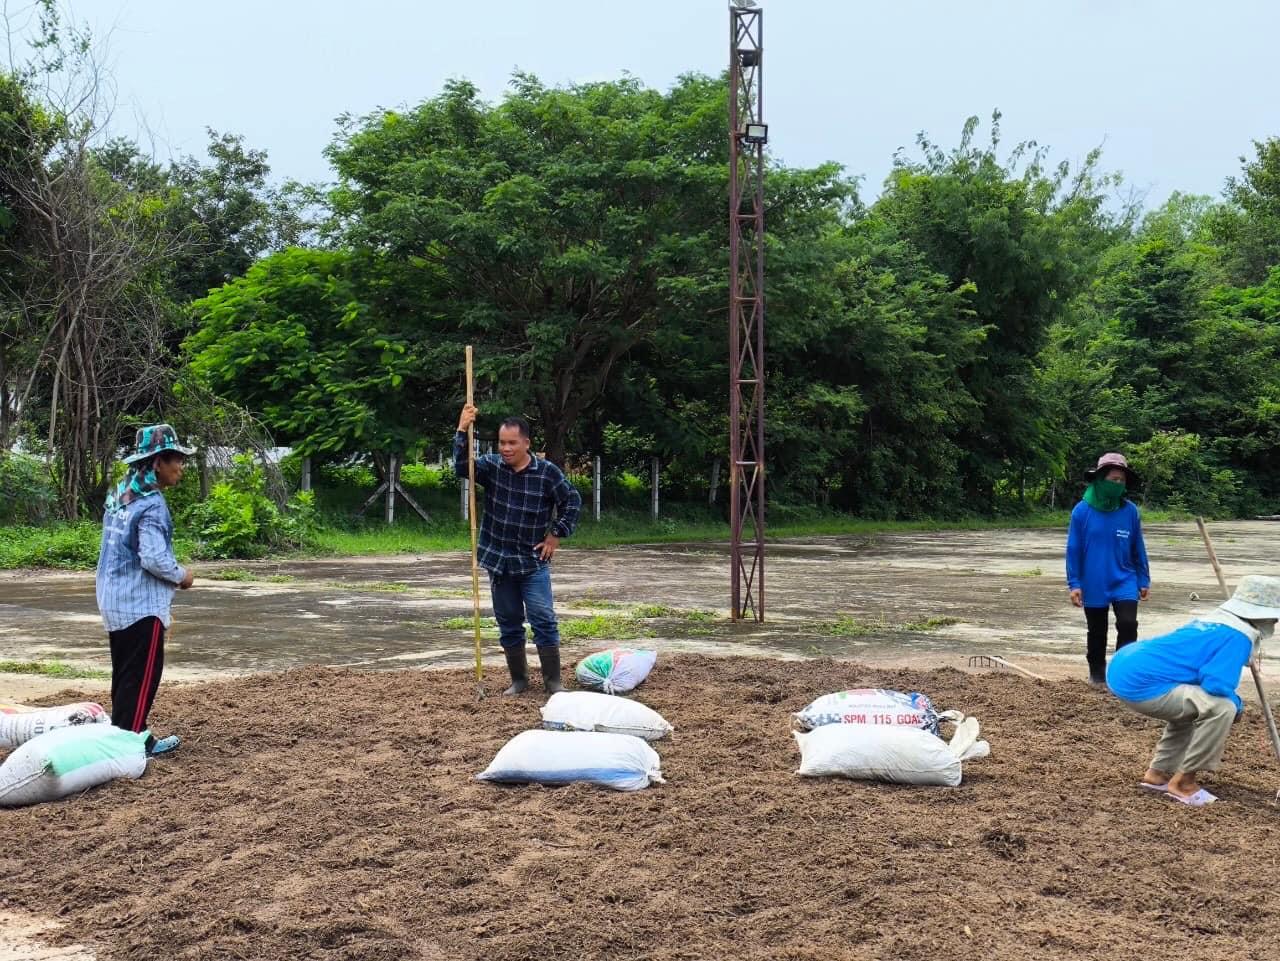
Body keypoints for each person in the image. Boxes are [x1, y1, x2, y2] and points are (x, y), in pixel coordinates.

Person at [1107, 574, 1279, 807]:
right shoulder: (1238, 636)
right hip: (1142, 682)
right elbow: (1217, 685)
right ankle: (1183, 783)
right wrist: (1238, 704)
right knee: (1222, 708)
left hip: (1125, 666)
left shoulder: (1217, 620)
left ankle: (1158, 774)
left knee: (1194, 706)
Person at [455, 405, 582, 695]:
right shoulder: (491, 468)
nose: (506, 448)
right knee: (509, 622)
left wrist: (555, 535)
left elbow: (572, 501)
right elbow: (462, 467)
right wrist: (462, 429)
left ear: (526, 443)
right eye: (502, 443)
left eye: (512, 443)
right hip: (499, 561)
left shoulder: (546, 473)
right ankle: (520, 680)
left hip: (532, 561)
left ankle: (553, 682)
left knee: (543, 619)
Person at [96, 424, 196, 756]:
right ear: (156, 462)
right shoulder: (151, 504)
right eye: (176, 460)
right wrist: (182, 575)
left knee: (125, 675)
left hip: (113, 598)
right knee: (141, 679)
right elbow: (154, 558)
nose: (180, 468)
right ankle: (130, 745)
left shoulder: (120, 494)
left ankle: (130, 734)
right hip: (141, 604)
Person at [1065, 452, 1151, 685]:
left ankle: (1123, 674)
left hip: (1124, 578)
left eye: (1121, 481)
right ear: (1100, 479)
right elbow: (1073, 549)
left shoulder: (1130, 511)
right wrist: (1074, 583)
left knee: (1128, 624)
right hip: (1093, 581)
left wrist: (1143, 579)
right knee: (1097, 631)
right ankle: (1097, 675)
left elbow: (1138, 547)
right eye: (1113, 479)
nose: (1118, 484)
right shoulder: (1082, 511)